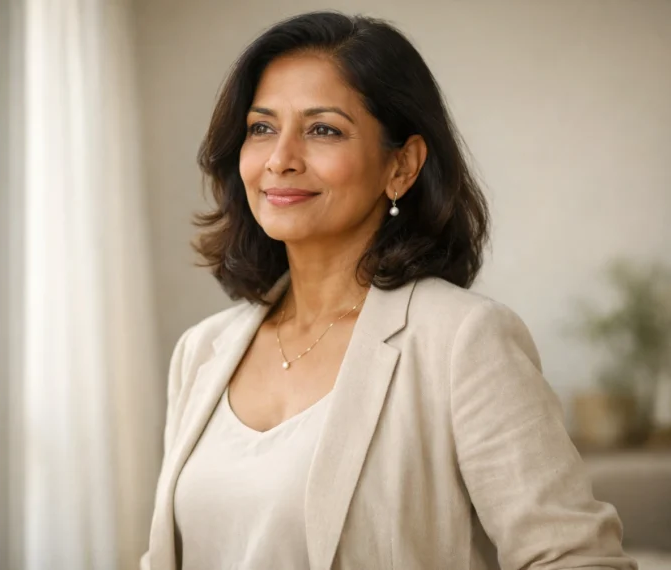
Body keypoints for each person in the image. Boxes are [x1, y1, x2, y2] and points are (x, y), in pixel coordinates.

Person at [141, 11, 634, 570]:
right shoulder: (201, 351)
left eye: (322, 129)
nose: (280, 159)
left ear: (401, 166)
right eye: (262, 128)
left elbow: (577, 559)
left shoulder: (463, 342)